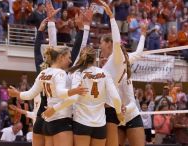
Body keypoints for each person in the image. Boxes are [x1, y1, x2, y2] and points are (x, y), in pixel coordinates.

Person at [43, 46, 122, 146]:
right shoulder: (105, 73)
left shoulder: (76, 74)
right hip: (100, 124)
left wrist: (54, 108)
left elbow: (73, 98)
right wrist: (119, 113)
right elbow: (115, 98)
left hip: (81, 122)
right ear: (95, 58)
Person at [99, 1, 146, 146]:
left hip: (122, 112)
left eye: (101, 43)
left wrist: (112, 17)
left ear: (108, 43)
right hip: (112, 110)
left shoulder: (117, 58)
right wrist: (143, 34)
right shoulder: (119, 60)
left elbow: (117, 41)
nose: (100, 46)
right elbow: (138, 53)